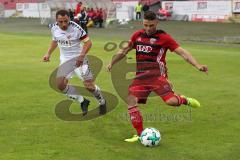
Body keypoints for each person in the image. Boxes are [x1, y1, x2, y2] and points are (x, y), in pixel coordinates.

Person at [107, 11, 208, 142]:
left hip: (157, 77)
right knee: (131, 101)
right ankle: (140, 134)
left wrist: (197, 65)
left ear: (156, 23)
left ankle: (184, 100)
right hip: (140, 78)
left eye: (151, 25)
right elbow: (124, 50)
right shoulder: (137, 35)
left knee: (171, 102)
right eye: (145, 25)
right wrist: (112, 62)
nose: (148, 29)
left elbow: (182, 53)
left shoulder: (164, 38)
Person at [42, 10, 106, 116]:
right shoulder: (54, 28)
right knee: (60, 85)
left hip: (79, 59)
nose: (63, 24)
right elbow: (55, 40)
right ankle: (83, 101)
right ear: (57, 21)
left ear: (69, 19)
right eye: (60, 22)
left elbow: (88, 43)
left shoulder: (76, 28)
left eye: (66, 21)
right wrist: (48, 53)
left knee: (89, 86)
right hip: (65, 60)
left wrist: (81, 57)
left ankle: (102, 101)